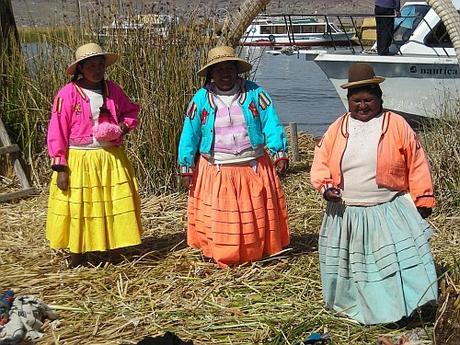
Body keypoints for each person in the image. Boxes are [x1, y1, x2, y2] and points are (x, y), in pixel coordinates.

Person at [310, 62, 438, 325]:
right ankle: (354, 307)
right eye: (356, 101)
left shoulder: (396, 124)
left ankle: (399, 309)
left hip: (387, 209)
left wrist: (423, 196)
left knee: (393, 264)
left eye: (369, 100)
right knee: (355, 266)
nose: (363, 106)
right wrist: (325, 187)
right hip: (347, 212)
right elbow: (321, 159)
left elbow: (416, 161)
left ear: (380, 99)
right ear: (348, 101)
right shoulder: (338, 127)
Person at [177, 45, 290, 268]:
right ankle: (222, 252)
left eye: (229, 68)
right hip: (217, 168)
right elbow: (190, 133)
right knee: (222, 217)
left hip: (252, 165)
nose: (225, 74)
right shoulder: (201, 100)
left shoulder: (255, 94)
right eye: (219, 69)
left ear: (237, 70)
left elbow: (271, 123)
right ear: (211, 73)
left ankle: (254, 251)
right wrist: (186, 164)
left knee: (252, 213)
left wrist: (279, 152)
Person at [46, 43, 143, 268]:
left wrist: (123, 127)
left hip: (110, 156)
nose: (97, 70)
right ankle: (78, 253)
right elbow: (57, 130)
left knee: (113, 203)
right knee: (79, 205)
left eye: (100, 65)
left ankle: (116, 248)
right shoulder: (67, 94)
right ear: (81, 68)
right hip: (80, 158)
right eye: (91, 65)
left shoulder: (113, 90)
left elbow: (131, 111)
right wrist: (60, 166)